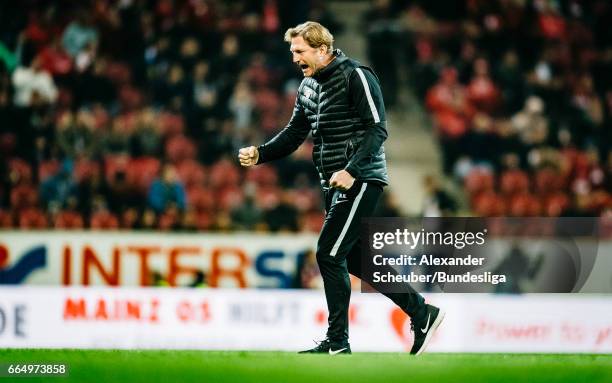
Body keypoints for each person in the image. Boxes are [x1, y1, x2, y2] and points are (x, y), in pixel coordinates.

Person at [238, 21, 443, 355]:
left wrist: (351, 169)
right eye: (292, 52)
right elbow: (293, 135)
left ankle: (337, 342)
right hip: (332, 181)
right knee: (357, 260)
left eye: (300, 51)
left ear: (322, 49)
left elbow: (377, 129)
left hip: (360, 177)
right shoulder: (307, 86)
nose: (294, 58)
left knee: (328, 253)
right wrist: (260, 153)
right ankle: (422, 313)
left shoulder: (356, 75)